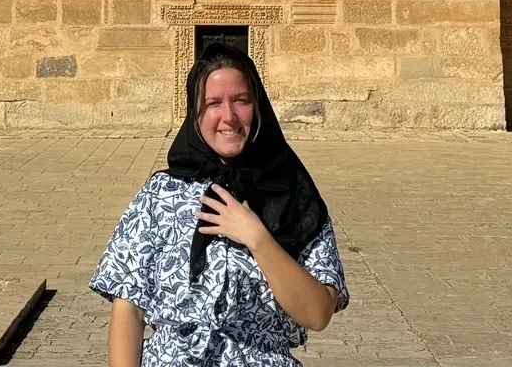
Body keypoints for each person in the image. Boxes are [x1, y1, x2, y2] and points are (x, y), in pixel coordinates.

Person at [93, 42, 347, 366]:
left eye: (240, 101)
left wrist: (258, 238)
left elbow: (318, 313)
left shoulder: (293, 197)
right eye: (213, 103)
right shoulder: (160, 195)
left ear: (257, 108)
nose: (228, 116)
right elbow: (128, 309)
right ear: (195, 114)